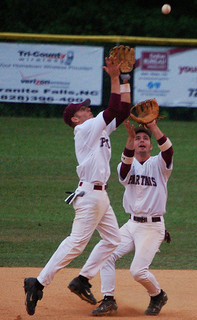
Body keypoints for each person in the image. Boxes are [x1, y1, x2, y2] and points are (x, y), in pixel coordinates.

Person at [23, 56, 132, 316]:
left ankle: (82, 280)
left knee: (113, 240)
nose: (87, 109)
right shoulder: (84, 130)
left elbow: (124, 111)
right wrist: (115, 78)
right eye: (83, 109)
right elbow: (114, 107)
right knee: (76, 243)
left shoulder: (99, 129)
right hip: (90, 196)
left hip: (100, 197)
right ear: (75, 119)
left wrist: (125, 78)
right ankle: (37, 283)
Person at [92, 119, 174, 316]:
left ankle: (157, 295)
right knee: (106, 255)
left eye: (145, 138)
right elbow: (125, 168)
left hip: (152, 228)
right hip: (131, 225)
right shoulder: (125, 165)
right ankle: (109, 299)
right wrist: (129, 139)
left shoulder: (160, 164)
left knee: (138, 271)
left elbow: (168, 151)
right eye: (137, 138)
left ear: (151, 144)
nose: (141, 141)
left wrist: (153, 126)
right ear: (132, 143)